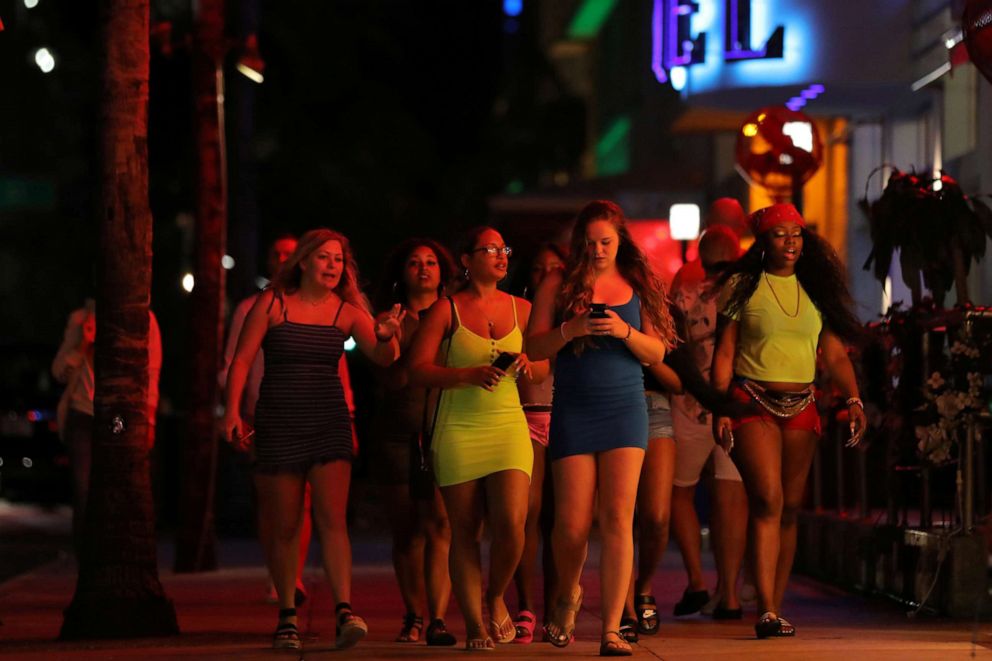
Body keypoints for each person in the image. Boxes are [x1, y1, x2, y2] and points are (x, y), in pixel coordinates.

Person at [224, 228, 402, 651]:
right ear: (302, 261)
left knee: (332, 519)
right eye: (323, 257)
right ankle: (287, 614)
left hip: (329, 420)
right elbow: (243, 358)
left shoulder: (345, 310)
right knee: (285, 524)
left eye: (338, 259)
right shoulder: (272, 303)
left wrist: (389, 332)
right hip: (279, 421)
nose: (332, 265)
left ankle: (344, 609)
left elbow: (383, 356)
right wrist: (230, 411)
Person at [528, 200, 676, 657]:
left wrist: (622, 331)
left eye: (605, 242)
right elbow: (532, 345)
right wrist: (570, 329)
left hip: (625, 408)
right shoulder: (559, 282)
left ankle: (613, 627)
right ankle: (567, 593)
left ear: (620, 240)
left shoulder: (637, 282)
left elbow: (659, 352)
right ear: (579, 244)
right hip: (574, 408)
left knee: (618, 519)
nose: (597, 251)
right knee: (571, 526)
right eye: (589, 243)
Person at [712, 203, 866, 638]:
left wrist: (854, 398)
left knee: (790, 507)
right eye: (779, 234)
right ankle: (763, 609)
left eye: (796, 233)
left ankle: (774, 607)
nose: (790, 241)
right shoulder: (743, 286)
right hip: (751, 400)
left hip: (803, 404)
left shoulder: (815, 288)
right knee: (767, 498)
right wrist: (719, 407)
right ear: (763, 242)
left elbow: (833, 353)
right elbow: (725, 351)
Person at [407, 226, 549, 651]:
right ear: (466, 260)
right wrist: (465, 375)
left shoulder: (522, 309)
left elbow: (542, 372)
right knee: (464, 530)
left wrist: (528, 363)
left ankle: (495, 595)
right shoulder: (446, 310)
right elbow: (416, 369)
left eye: (504, 248)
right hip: (459, 430)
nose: (501, 255)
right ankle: (473, 625)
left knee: (512, 523)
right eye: (489, 249)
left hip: (508, 425)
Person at [369, 238, 457, 646]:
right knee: (406, 531)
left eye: (431, 262)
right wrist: (396, 341)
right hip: (396, 431)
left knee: (440, 524)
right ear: (402, 272)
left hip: (444, 428)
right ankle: (413, 614)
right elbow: (392, 379)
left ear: (443, 271)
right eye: (414, 262)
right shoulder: (390, 319)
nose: (423, 268)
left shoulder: (457, 316)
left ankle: (438, 618)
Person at [668, 225, 748, 620]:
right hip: (731, 405)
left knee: (679, 492)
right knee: (730, 499)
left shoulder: (683, 289)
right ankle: (728, 594)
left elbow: (673, 345)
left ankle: (699, 582)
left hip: (691, 404)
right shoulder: (748, 289)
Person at [52, 300, 162, 557]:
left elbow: (152, 371)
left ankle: (117, 555)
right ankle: (86, 560)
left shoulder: (144, 317)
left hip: (118, 415)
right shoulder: (80, 319)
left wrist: (150, 420)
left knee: (120, 487)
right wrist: (82, 343)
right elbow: (59, 371)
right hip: (83, 412)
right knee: (84, 491)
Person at [510, 242, 566, 644]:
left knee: (563, 522)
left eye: (556, 269)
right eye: (538, 270)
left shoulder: (580, 313)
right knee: (526, 515)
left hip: (569, 418)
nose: (548, 277)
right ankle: (526, 606)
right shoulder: (518, 312)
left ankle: (558, 608)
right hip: (527, 417)